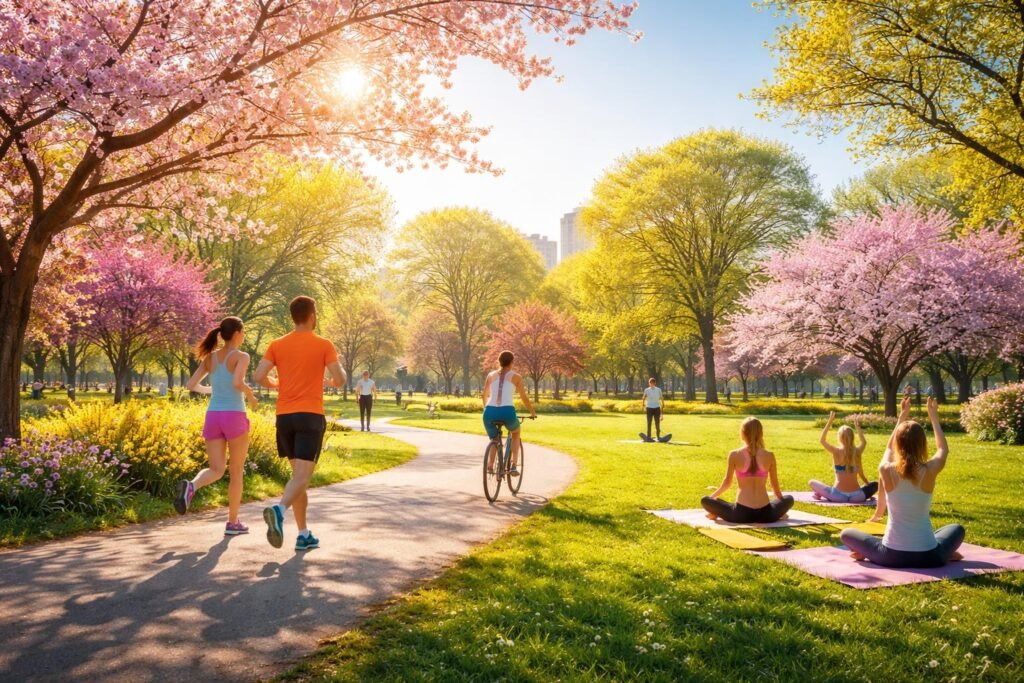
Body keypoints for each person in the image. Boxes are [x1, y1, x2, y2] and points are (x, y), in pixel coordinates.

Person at [254, 296, 346, 551]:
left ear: (292, 317)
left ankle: (303, 534)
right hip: (309, 416)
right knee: (302, 477)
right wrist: (336, 374)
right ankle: (279, 511)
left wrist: (275, 383)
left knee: (298, 479)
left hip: (284, 418)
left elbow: (259, 375)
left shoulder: (277, 344)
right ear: (312, 315)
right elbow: (340, 380)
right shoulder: (324, 344)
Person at [840, 396, 965, 568]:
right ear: (922, 444)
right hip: (930, 557)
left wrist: (901, 417)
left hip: (890, 556)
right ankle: (945, 553)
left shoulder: (885, 469)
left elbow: (889, 449)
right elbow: (943, 449)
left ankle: (866, 553)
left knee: (847, 533)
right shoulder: (930, 469)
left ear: (898, 444)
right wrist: (933, 417)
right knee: (957, 529)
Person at [176, 316, 259, 535]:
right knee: (236, 472)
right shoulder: (241, 356)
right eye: (244, 332)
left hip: (213, 415)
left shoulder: (210, 357)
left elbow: (191, 385)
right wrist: (250, 395)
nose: (244, 336)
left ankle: (192, 486)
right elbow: (237, 382)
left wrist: (212, 390)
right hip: (234, 415)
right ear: (238, 333)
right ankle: (233, 523)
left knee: (216, 470)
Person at [700, 417, 794, 523]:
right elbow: (775, 486)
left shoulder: (734, 454)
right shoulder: (769, 455)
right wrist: (781, 509)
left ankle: (714, 513)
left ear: (742, 433)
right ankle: (778, 512)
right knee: (789, 499)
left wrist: (711, 499)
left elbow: (727, 483)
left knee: (705, 500)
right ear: (761, 433)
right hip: (766, 515)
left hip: (741, 514)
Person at [481, 350, 537, 475]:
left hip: (489, 412)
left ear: (499, 361)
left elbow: (484, 395)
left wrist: (486, 409)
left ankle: (490, 465)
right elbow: (524, 398)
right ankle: (513, 466)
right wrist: (532, 412)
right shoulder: (516, 377)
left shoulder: (490, 375)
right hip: (507, 411)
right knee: (516, 433)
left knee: (494, 438)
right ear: (512, 362)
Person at [809, 411, 878, 503]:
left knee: (812, 482)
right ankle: (821, 494)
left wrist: (830, 421)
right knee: (875, 485)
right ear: (853, 437)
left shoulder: (836, 451)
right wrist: (857, 427)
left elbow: (822, 440)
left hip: (838, 496)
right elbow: (863, 442)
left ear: (839, 437)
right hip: (857, 496)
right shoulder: (857, 452)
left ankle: (821, 494)